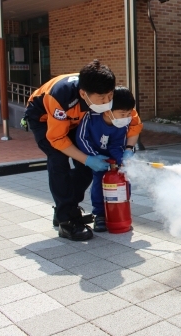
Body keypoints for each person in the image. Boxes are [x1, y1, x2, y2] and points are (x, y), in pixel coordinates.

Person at [24, 60, 141, 241]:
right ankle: (66, 222)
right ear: (83, 94)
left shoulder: (106, 91)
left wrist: (128, 148)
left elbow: (133, 121)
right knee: (58, 162)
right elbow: (57, 139)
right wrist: (87, 158)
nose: (107, 102)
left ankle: (67, 208)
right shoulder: (61, 96)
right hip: (45, 120)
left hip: (75, 123)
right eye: (101, 99)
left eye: (109, 96)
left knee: (85, 169)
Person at [76, 86, 142, 232]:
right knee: (99, 182)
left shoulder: (122, 124)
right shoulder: (91, 117)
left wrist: (122, 158)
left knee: (123, 181)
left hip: (112, 156)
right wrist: (93, 157)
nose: (126, 117)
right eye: (122, 113)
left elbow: (117, 144)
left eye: (129, 114)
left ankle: (120, 211)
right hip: (95, 157)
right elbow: (81, 138)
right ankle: (99, 214)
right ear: (107, 111)